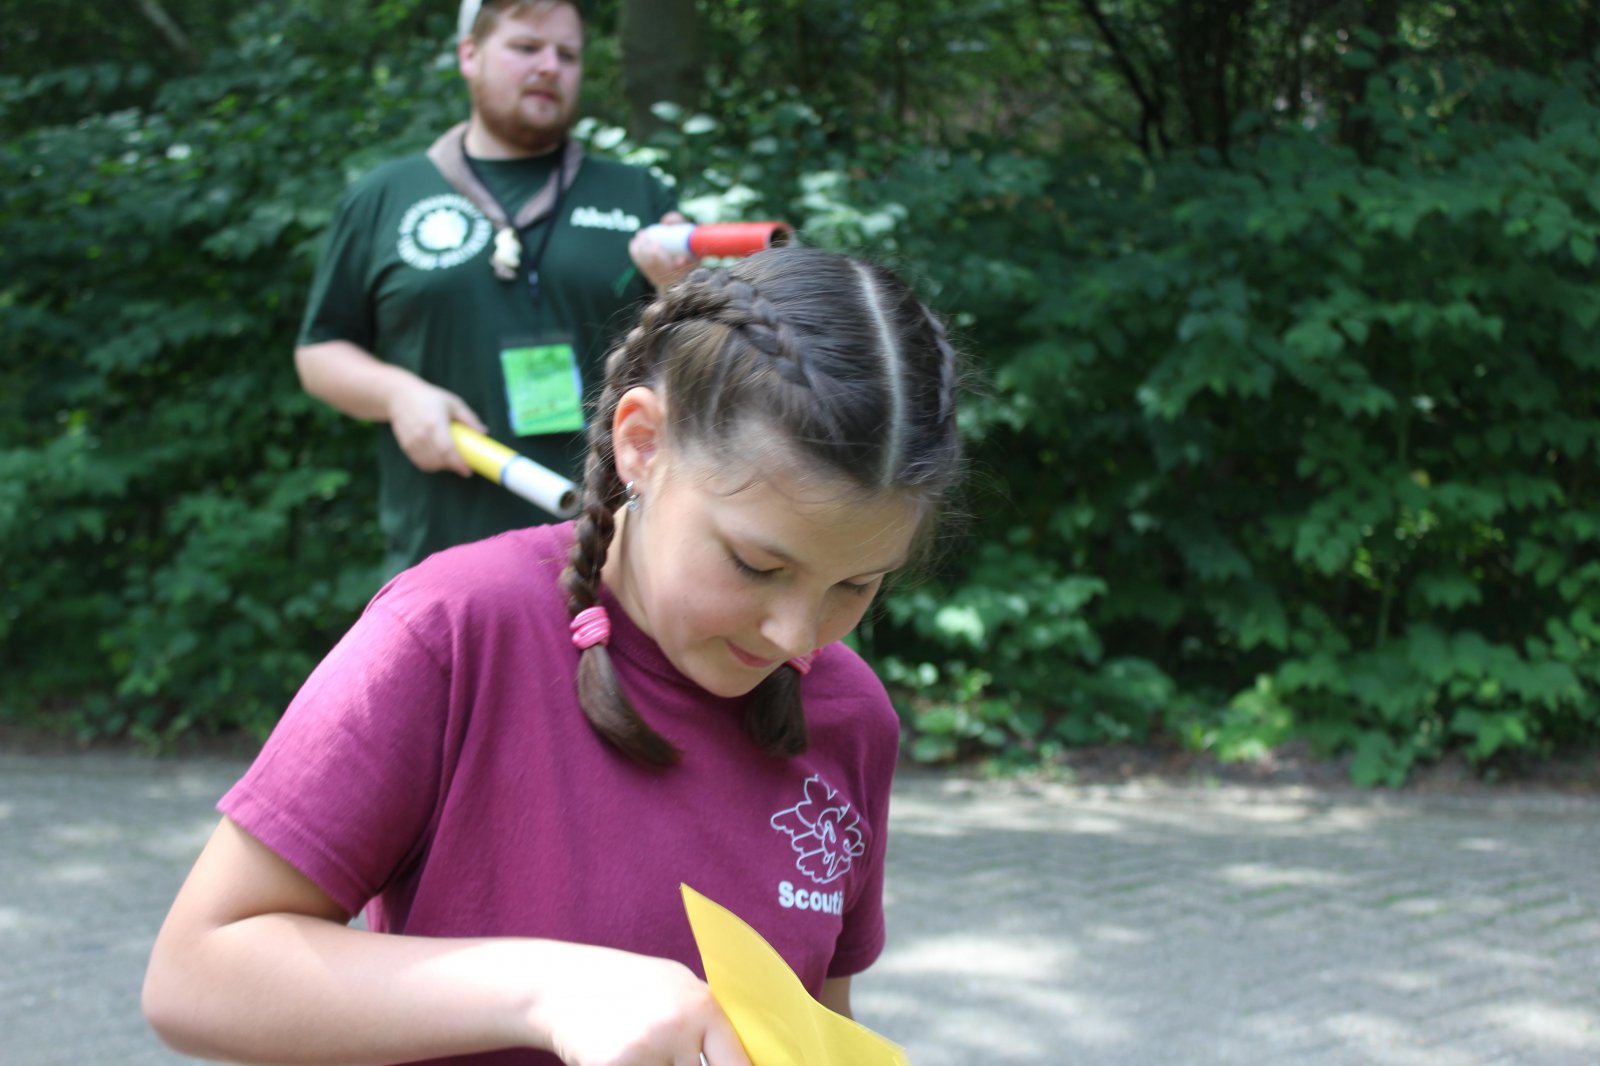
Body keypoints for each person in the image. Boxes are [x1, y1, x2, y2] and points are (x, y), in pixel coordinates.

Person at [142, 245, 963, 1066]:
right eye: (756, 565)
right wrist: (547, 992)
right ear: (641, 443)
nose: (795, 637)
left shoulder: (852, 716)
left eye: (854, 587)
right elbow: (197, 975)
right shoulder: (455, 631)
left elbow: (818, 1026)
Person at [296, 0, 698, 578]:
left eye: (567, 54)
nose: (548, 67)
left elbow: (697, 363)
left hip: (617, 557)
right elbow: (320, 351)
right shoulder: (385, 195)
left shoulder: (638, 195)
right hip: (443, 556)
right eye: (525, 47)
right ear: (469, 55)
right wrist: (396, 394)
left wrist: (677, 287)